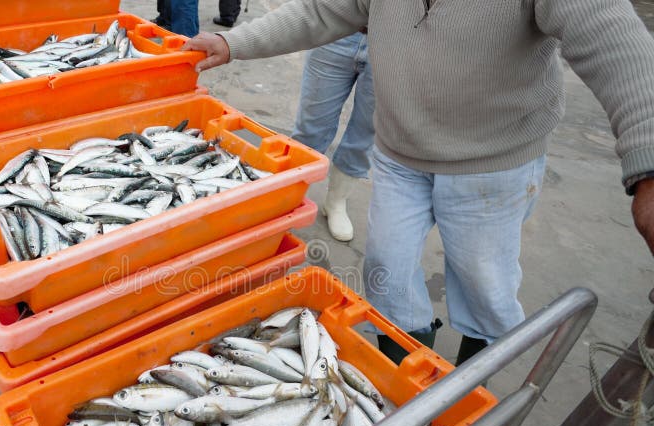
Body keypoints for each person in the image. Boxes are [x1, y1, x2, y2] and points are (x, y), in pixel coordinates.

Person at [184, 0, 654, 366]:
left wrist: (648, 163)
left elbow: (615, 43)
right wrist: (235, 43)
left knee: (484, 287)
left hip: (491, 164)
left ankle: (473, 390)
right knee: (386, 269)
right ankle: (403, 377)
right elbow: (325, 10)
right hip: (399, 153)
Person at [292, 31, 373, 242]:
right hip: (338, 28)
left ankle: (336, 201)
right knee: (310, 128)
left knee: (364, 134)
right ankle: (289, 198)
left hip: (398, 40)